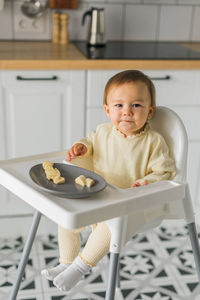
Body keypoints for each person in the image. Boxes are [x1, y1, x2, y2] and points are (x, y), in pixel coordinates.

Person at [41, 70, 176, 291]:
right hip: (98, 195)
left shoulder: (154, 142)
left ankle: (79, 268)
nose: (127, 113)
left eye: (136, 106)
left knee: (110, 227)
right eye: (119, 106)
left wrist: (146, 182)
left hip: (130, 204)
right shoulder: (103, 132)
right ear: (107, 110)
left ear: (150, 111)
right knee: (67, 218)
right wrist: (81, 147)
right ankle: (66, 262)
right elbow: (89, 144)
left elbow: (165, 171)